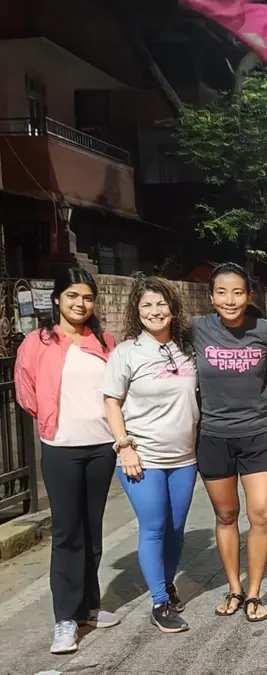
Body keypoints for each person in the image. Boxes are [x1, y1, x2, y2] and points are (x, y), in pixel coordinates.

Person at [14, 268, 120, 654]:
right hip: (60, 447)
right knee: (67, 532)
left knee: (92, 530)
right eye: (73, 296)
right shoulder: (37, 342)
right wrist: (55, 424)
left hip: (101, 447)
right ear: (57, 298)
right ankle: (64, 618)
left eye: (87, 297)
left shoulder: (105, 342)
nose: (80, 303)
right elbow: (27, 394)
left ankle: (89, 606)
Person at [100, 277, 199, 634]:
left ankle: (167, 585)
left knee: (175, 528)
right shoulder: (127, 352)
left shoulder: (186, 349)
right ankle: (159, 602)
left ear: (172, 308)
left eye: (161, 304)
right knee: (154, 527)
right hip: (143, 456)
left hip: (184, 457)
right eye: (146, 306)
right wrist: (124, 445)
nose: (155, 311)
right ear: (136, 312)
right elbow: (111, 401)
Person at [192, 263, 267, 622]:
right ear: (211, 297)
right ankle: (234, 588)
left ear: (249, 295)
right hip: (213, 436)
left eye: (238, 292)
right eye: (222, 292)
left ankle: (254, 593)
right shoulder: (197, 329)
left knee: (261, 514)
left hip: (257, 434)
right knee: (226, 515)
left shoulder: (266, 330)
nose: (230, 300)